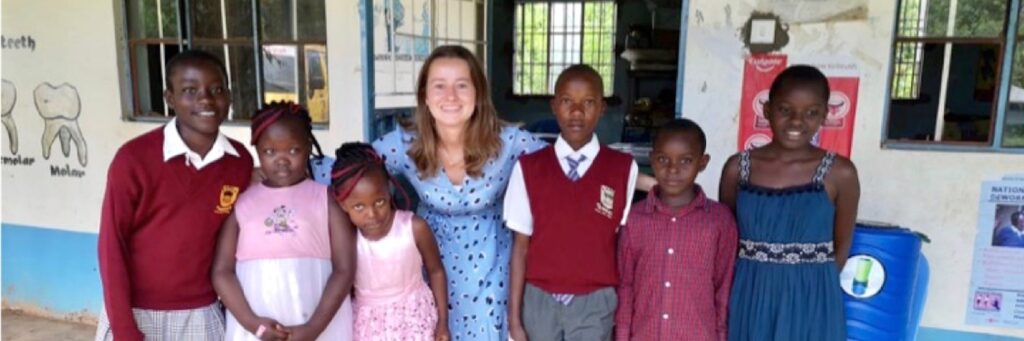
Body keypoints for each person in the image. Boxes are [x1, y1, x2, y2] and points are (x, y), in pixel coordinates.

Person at [371, 45, 547, 340]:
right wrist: (267, 173)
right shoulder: (406, 144)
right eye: (439, 86)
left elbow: (564, 165)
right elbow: (348, 168)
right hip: (430, 269)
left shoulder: (508, 142)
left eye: (462, 85)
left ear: (478, 94)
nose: (450, 96)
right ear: (425, 97)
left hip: (493, 271)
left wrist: (640, 180)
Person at [96, 50, 253, 341]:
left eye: (216, 89)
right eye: (190, 91)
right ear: (169, 98)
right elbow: (111, 245)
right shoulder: (134, 159)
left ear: (229, 96)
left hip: (202, 313)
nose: (206, 100)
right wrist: (123, 327)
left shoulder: (239, 162)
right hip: (136, 313)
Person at [718, 65, 860, 341]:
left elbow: (840, 249)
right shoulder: (738, 168)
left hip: (812, 298)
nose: (797, 122)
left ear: (825, 115)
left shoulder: (840, 173)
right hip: (751, 294)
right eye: (785, 110)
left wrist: (810, 292)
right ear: (767, 109)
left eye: (811, 112)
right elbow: (727, 240)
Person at [505, 64, 639, 341]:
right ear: (554, 106)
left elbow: (623, 246)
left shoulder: (623, 168)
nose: (577, 112)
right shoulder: (529, 168)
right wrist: (514, 319)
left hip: (595, 301)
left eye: (588, 102)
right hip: (539, 299)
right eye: (567, 101)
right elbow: (520, 249)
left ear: (602, 107)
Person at [212, 102, 355, 341]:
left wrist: (314, 328)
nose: (282, 160)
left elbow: (345, 268)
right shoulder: (241, 203)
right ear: (256, 150)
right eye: (270, 151)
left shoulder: (325, 198)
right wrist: (253, 324)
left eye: (293, 151)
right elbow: (221, 271)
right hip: (256, 328)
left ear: (308, 147)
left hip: (320, 323)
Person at [616, 119, 738, 341]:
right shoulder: (634, 219)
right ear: (651, 159)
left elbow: (724, 291)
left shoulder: (719, 221)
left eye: (686, 160)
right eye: (663, 159)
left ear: (703, 162)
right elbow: (626, 286)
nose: (673, 169)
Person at [330, 142, 451, 341]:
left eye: (379, 202)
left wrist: (443, 322)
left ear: (389, 190)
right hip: (368, 327)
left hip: (414, 322)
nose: (372, 215)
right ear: (343, 205)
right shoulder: (348, 241)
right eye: (359, 207)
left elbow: (436, 270)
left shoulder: (414, 227)